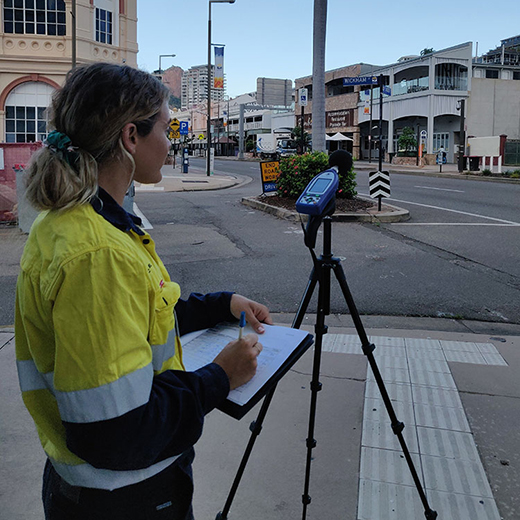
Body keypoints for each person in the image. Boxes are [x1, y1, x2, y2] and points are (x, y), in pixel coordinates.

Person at [15, 62, 272, 520]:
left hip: (94, 491)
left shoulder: (78, 223)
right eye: (167, 129)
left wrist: (218, 305)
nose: (171, 144)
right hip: (124, 497)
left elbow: (135, 319)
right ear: (130, 137)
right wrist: (220, 377)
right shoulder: (97, 253)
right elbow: (116, 434)